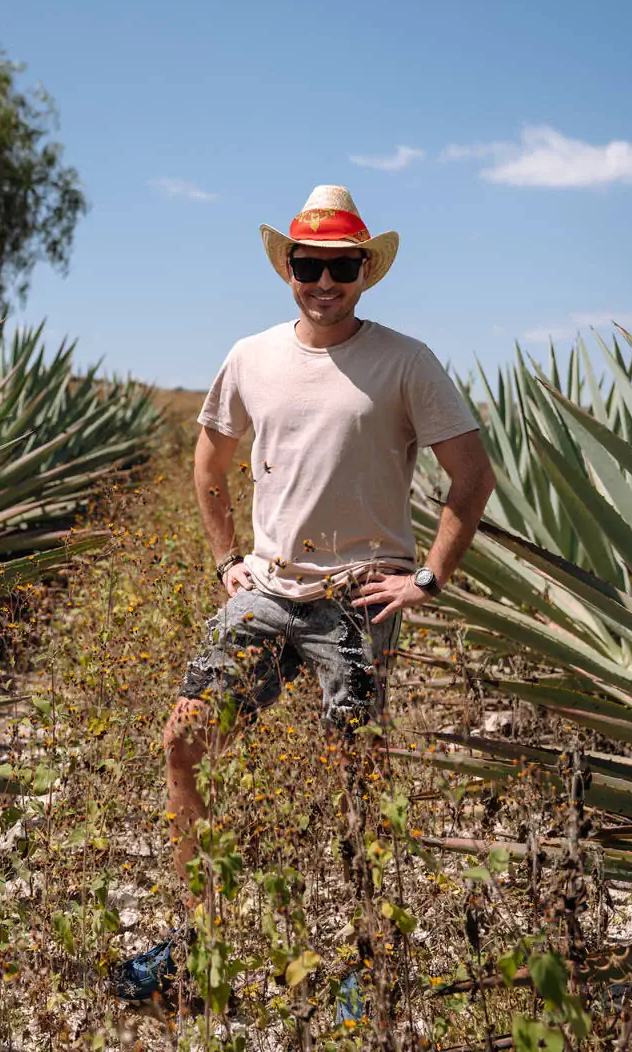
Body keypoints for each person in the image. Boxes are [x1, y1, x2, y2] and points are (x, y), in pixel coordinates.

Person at [113, 184, 496, 1009]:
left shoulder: (408, 361)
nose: (325, 281)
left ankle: (368, 961)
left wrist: (428, 577)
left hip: (359, 600)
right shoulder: (250, 357)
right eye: (309, 265)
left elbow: (472, 475)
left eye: (343, 266)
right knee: (183, 745)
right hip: (266, 592)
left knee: (357, 777)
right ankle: (194, 942)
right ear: (286, 268)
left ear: (367, 272)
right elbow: (209, 463)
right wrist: (227, 559)